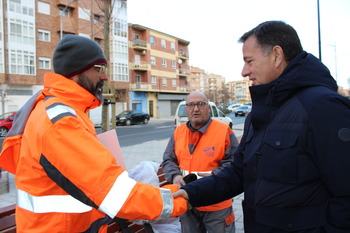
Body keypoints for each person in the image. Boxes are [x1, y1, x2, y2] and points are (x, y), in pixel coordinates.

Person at [173, 21, 350, 233]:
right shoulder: (260, 113)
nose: (243, 71)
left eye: (249, 61)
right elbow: (239, 173)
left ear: (276, 56)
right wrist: (192, 193)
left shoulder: (322, 107)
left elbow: (345, 194)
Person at [0, 35, 187, 232]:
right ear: (76, 71)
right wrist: (181, 199)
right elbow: (115, 194)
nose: (104, 77)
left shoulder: (65, 111)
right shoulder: (61, 122)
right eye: (98, 69)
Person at [162, 90, 239, 233]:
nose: (196, 109)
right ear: (186, 109)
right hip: (187, 201)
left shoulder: (223, 131)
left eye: (200, 104)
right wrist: (175, 176)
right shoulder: (178, 132)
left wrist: (216, 176)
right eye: (191, 105)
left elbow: (236, 162)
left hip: (217, 203)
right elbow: (168, 159)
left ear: (208, 108)